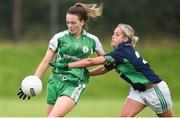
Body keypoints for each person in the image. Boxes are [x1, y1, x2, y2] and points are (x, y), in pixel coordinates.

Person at [58, 23, 174, 117]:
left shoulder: (122, 52)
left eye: (117, 34)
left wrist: (68, 65)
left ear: (125, 38)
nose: (113, 36)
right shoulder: (120, 52)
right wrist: (86, 74)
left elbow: (91, 61)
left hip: (154, 91)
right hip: (138, 91)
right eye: (113, 33)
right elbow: (104, 68)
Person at [17, 3, 105, 117]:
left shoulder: (93, 40)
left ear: (82, 22)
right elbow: (45, 61)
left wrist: (118, 60)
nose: (70, 26)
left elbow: (105, 60)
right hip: (55, 82)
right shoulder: (59, 37)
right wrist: (34, 80)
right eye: (67, 22)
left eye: (73, 23)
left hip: (74, 83)